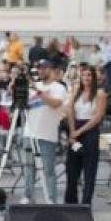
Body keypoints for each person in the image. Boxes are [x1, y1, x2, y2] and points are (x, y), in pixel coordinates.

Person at [22, 59, 67, 204]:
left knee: (48, 170)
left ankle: (51, 198)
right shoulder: (34, 86)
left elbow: (56, 104)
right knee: (29, 168)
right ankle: (28, 196)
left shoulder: (58, 88)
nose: (40, 71)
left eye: (43, 68)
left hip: (47, 135)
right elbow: (23, 104)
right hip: (30, 132)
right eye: (38, 68)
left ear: (51, 69)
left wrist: (38, 91)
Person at [64, 65, 107, 205]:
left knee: (89, 169)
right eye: (84, 75)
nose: (86, 78)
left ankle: (86, 202)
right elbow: (69, 110)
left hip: (90, 130)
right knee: (72, 168)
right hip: (75, 127)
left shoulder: (99, 93)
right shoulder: (76, 91)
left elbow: (98, 116)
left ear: (93, 77)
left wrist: (80, 131)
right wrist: (72, 131)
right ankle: (71, 201)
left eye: (89, 75)